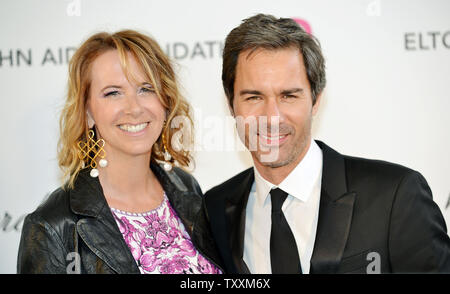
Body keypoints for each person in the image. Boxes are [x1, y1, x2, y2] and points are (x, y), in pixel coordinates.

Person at [204, 14, 450, 274]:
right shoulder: (215, 209)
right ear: (231, 104)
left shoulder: (394, 196)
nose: (272, 117)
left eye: (288, 96)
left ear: (316, 100)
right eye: (254, 97)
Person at [17, 30, 223, 274]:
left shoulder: (186, 188)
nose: (134, 108)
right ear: (87, 113)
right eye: (113, 93)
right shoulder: (52, 226)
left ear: (165, 101)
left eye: (146, 89)